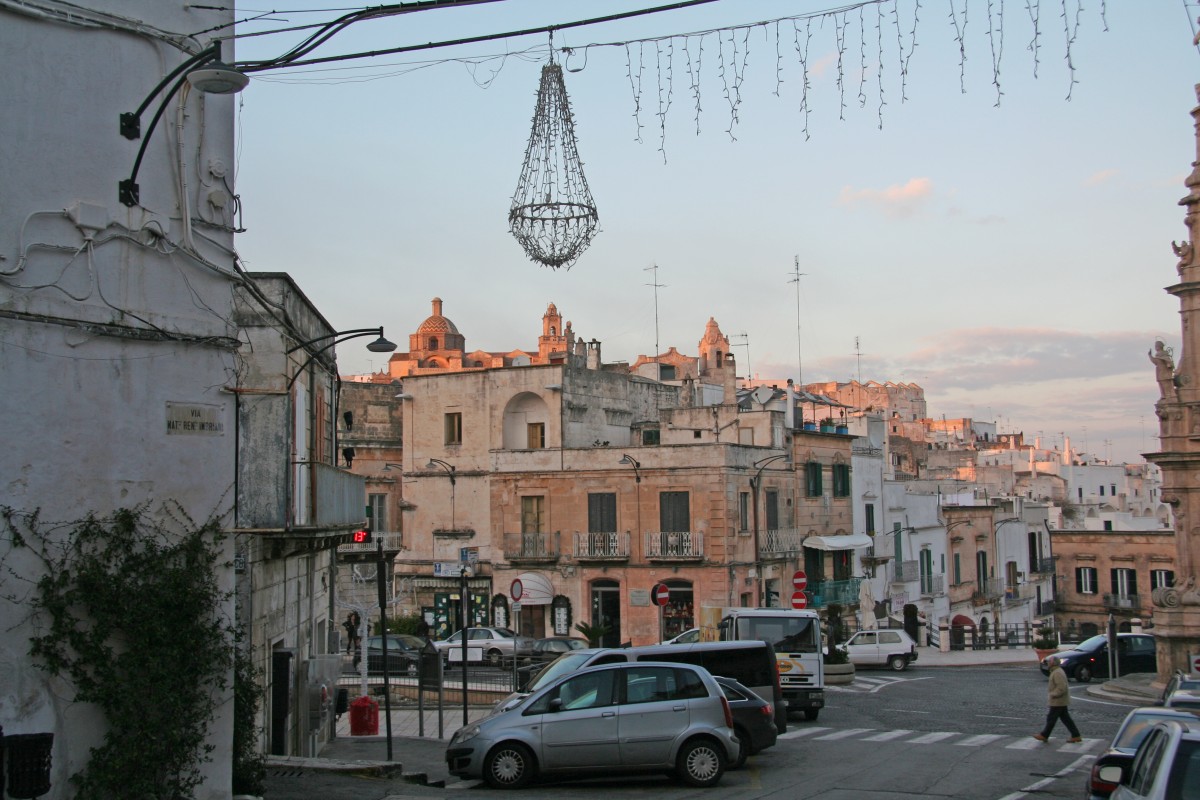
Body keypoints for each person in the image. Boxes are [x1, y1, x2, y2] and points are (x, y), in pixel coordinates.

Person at [1034, 656, 1082, 743]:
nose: (1048, 663)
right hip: (1060, 700)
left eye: (1049, 662)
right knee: (1066, 719)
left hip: (1058, 700)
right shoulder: (1056, 671)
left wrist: (1053, 694)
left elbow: (1061, 687)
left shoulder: (1057, 673)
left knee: (1051, 718)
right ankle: (1076, 735)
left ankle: (1044, 735)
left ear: (1053, 663)